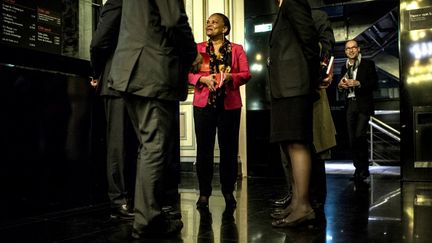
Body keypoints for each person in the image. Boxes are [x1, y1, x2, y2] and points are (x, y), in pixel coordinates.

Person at [107, 0, 199, 238]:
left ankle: (147, 214)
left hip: (130, 70)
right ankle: (148, 221)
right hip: (152, 71)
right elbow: (173, 20)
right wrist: (192, 54)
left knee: (148, 148)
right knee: (155, 147)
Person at [270, 9, 337, 219]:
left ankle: (310, 200)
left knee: (311, 144)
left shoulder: (313, 11)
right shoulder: (280, 13)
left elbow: (322, 46)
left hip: (306, 86)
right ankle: (297, 197)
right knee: (290, 145)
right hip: (286, 85)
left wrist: (321, 71)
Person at [188, 13, 251, 210]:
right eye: (208, 21)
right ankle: (204, 193)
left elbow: (246, 73)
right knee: (204, 151)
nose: (209, 24)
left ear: (225, 28)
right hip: (203, 105)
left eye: (214, 22)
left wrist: (232, 77)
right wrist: (201, 79)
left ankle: (227, 192)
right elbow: (187, 72)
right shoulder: (198, 49)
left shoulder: (237, 49)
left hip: (229, 105)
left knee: (229, 151)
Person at [267, 0, 321, 227]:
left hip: (295, 84)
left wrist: (311, 76)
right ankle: (297, 202)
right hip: (285, 86)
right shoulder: (283, 6)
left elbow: (309, 39)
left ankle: (304, 206)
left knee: (298, 143)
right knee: (290, 143)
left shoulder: (294, 1)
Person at [89, 0, 136, 220]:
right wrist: (98, 73)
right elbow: (98, 43)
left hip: (126, 81)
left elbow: (99, 43)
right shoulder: (119, 3)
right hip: (120, 81)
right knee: (119, 146)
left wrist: (98, 72)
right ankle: (119, 201)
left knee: (127, 145)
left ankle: (130, 201)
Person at [338, 39, 378, 182]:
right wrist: (340, 86)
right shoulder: (344, 67)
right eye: (348, 48)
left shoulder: (368, 64)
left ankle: (364, 170)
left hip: (363, 105)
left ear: (358, 49)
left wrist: (358, 83)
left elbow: (375, 84)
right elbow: (340, 86)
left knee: (360, 136)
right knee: (352, 139)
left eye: (353, 47)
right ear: (345, 52)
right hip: (350, 104)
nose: (351, 50)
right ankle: (358, 170)